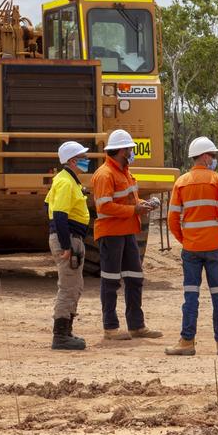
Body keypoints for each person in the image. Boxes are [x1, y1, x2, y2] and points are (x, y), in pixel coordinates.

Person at [164, 136, 218, 356]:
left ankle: (187, 342)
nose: (214, 159)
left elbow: (172, 219)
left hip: (191, 248)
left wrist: (184, 238)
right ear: (205, 156)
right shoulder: (217, 180)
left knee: (191, 294)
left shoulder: (181, 182)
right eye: (213, 155)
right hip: (216, 245)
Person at [92, 128, 162, 341]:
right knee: (111, 280)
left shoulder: (125, 172)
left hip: (127, 232)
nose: (133, 151)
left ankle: (136, 326)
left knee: (135, 278)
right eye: (130, 149)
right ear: (122, 150)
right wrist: (134, 210)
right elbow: (104, 207)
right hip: (111, 233)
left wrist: (145, 204)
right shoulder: (105, 174)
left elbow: (131, 200)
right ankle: (110, 328)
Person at [46, 141, 92, 351]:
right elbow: (59, 214)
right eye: (83, 157)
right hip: (69, 238)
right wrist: (66, 245)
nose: (87, 160)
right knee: (68, 287)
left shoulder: (66, 181)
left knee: (75, 286)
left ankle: (66, 332)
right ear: (73, 161)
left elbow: (49, 204)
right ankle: (61, 336)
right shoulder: (65, 182)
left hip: (72, 238)